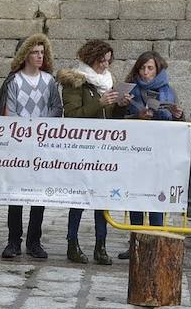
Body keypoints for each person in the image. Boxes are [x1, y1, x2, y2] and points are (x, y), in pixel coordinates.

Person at [57, 40, 129, 265]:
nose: (105, 66)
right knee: (79, 198)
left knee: (102, 198)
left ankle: (101, 245)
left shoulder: (108, 81)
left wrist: (121, 104)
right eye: (101, 61)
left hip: (105, 149)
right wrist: (99, 103)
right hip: (82, 149)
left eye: (108, 61)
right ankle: (72, 243)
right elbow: (72, 116)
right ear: (91, 59)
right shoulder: (75, 82)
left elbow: (111, 116)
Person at [0, 34, 62, 260]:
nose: (40, 56)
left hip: (41, 144)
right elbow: (10, 112)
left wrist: (40, 126)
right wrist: (25, 130)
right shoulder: (14, 81)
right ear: (25, 55)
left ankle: (34, 240)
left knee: (38, 195)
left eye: (42, 52)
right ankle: (14, 240)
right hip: (19, 145)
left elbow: (55, 108)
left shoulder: (49, 81)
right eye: (35, 52)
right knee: (16, 194)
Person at [117, 51, 183, 259]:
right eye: (142, 68)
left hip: (159, 152)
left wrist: (178, 115)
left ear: (158, 69)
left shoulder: (167, 91)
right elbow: (117, 120)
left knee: (157, 196)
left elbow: (176, 123)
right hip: (135, 151)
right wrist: (135, 113)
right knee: (135, 197)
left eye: (150, 68)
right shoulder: (131, 90)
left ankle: (157, 241)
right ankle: (135, 243)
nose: (146, 72)